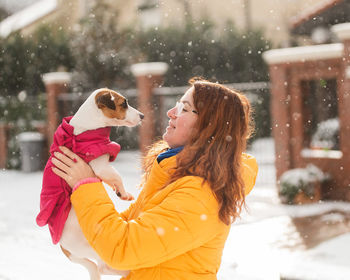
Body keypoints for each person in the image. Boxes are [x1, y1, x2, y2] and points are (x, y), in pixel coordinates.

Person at [52, 77, 258, 280]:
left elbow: (123, 248)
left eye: (184, 109)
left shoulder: (201, 195)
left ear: (208, 127)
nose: (171, 113)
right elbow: (125, 236)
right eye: (177, 105)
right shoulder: (176, 176)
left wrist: (86, 186)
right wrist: (74, 231)